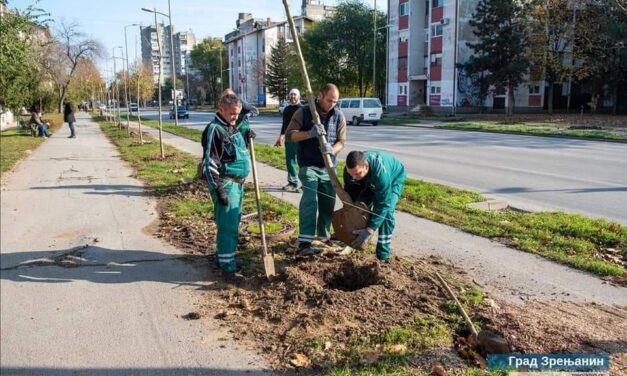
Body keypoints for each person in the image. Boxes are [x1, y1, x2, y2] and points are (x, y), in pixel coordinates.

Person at [286, 83, 347, 255]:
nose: (332, 104)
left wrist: (332, 149)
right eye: (329, 100)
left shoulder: (338, 116)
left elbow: (341, 141)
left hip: (329, 167)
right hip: (308, 165)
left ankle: (322, 237)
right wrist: (309, 133)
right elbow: (290, 135)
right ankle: (305, 240)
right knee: (310, 200)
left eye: (335, 102)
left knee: (328, 203)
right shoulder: (304, 112)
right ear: (320, 96)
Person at [203, 94, 256, 281]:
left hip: (237, 185)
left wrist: (245, 136)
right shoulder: (215, 130)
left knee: (233, 223)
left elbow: (232, 153)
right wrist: (219, 190)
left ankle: (224, 258)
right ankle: (227, 269)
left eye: (238, 114)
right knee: (228, 227)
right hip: (226, 184)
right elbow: (209, 165)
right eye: (232, 113)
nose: (235, 117)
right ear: (221, 109)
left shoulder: (230, 127)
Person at [343, 150, 406, 262]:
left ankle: (383, 255)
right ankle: (353, 242)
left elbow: (383, 204)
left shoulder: (381, 173)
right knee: (360, 207)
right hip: (368, 180)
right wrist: (353, 213)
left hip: (394, 178)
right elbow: (352, 193)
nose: (353, 177)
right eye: (350, 174)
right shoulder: (351, 172)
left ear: (365, 166)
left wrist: (370, 229)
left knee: (387, 213)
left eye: (357, 174)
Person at [274, 88, 303, 192]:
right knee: (290, 162)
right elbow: (284, 125)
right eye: (291, 95)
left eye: (295, 95)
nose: (293, 97)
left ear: (299, 96)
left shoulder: (302, 109)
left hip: (300, 140)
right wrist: (280, 137)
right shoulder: (286, 109)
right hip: (289, 139)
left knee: (302, 162)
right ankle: (293, 182)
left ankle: (303, 183)